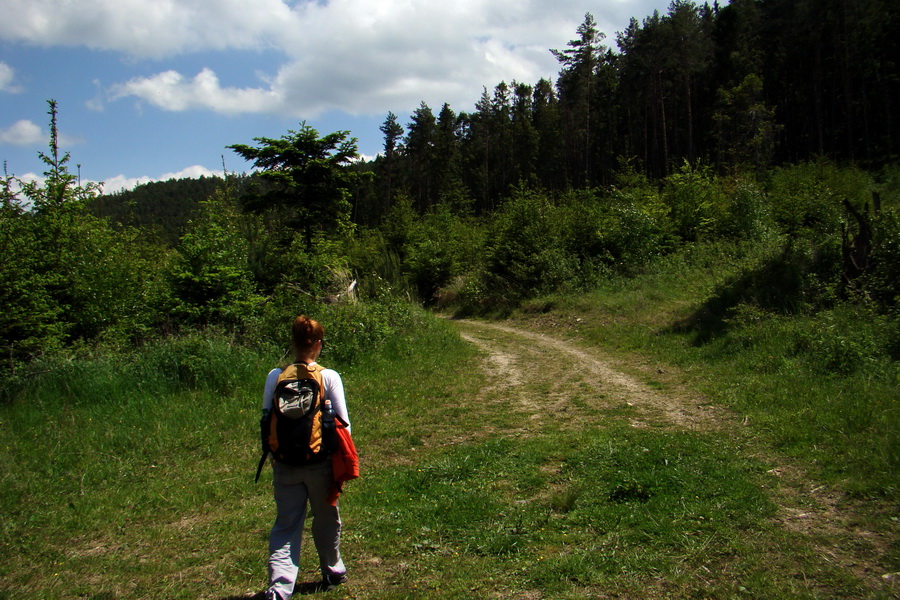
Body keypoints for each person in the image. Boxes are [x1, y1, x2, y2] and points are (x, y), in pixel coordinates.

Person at [261, 316, 350, 599]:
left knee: (286, 522)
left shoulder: (275, 376)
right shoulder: (329, 376)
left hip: (285, 462)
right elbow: (344, 425)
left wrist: (275, 453)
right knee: (326, 518)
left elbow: (266, 418)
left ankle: (279, 586)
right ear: (318, 344)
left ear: (294, 343)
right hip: (319, 462)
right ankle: (332, 570)